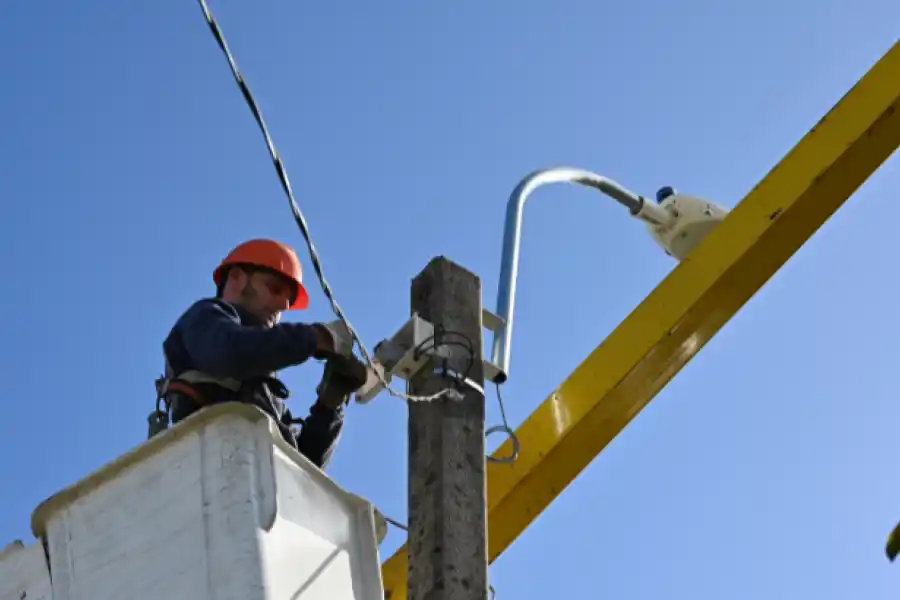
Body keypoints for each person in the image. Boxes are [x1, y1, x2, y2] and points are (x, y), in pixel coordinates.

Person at [154, 238, 369, 469]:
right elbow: (229, 352)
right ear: (236, 277)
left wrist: (330, 404)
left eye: (287, 301)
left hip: (254, 487)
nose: (282, 307)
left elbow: (304, 465)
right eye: (274, 289)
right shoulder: (205, 318)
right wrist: (314, 337)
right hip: (212, 472)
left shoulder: (261, 386)